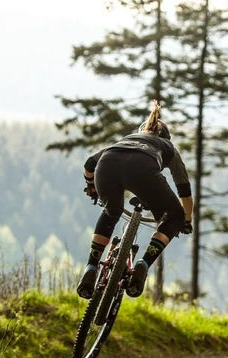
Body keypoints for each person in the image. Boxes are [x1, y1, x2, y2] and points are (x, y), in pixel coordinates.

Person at [77, 100, 193, 299]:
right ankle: (142, 264)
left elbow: (89, 164)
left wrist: (92, 188)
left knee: (111, 211)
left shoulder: (127, 139)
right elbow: (184, 190)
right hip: (143, 169)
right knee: (174, 217)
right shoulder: (168, 147)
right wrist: (186, 221)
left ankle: (91, 267)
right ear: (166, 137)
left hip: (107, 165)